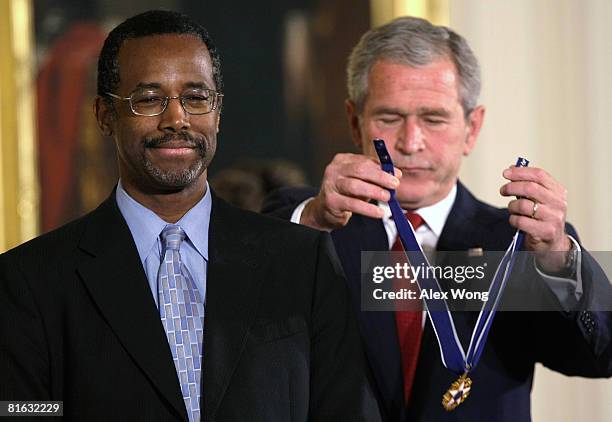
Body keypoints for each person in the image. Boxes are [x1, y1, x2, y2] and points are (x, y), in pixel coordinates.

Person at [0, 10, 381, 422]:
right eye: (148, 99)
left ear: (217, 112)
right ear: (105, 116)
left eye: (196, 98)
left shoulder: (303, 263)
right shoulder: (28, 282)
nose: (176, 118)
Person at [263, 16, 612, 421]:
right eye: (390, 118)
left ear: (472, 127)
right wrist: (315, 218)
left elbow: (599, 358)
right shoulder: (311, 219)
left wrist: (557, 258)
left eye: (434, 119)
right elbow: (247, 307)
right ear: (355, 122)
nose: (411, 143)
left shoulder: (516, 241)